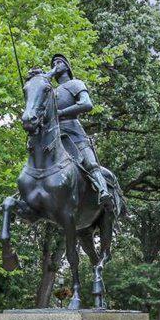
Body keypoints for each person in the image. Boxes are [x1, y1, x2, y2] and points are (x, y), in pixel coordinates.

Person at [46, 53, 115, 207]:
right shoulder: (52, 91)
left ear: (67, 67)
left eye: (59, 62)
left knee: (89, 163)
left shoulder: (76, 84)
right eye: (53, 63)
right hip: (55, 134)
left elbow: (87, 104)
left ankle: (103, 191)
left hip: (73, 130)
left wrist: (62, 113)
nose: (56, 65)